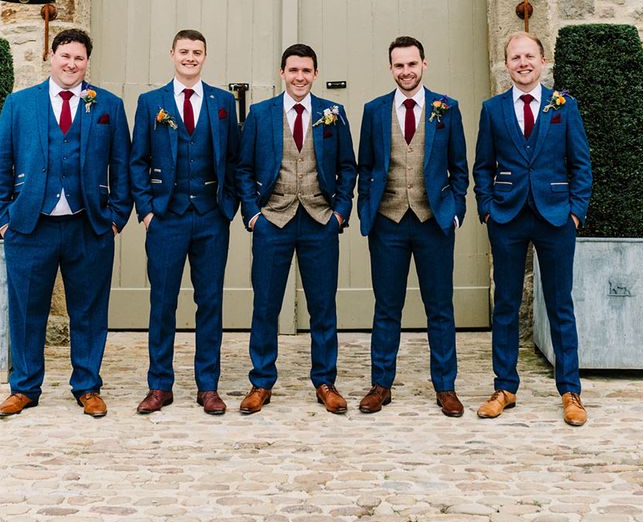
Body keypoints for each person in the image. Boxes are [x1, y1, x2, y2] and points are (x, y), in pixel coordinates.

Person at [0, 28, 132, 418]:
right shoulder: (20, 104)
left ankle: (87, 386)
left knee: (88, 310)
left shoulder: (108, 106)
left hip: (89, 226)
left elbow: (122, 165)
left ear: (88, 62)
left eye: (79, 58)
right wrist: (3, 220)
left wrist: (116, 217)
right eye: (65, 56)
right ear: (51, 56)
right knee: (26, 310)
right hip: (31, 227)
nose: (71, 64)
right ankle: (25, 388)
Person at [473, 31, 592, 426]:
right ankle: (504, 387)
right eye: (515, 57)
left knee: (560, 305)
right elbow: (483, 167)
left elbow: (581, 164)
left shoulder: (564, 107)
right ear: (506, 64)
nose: (522, 63)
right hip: (506, 217)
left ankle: (570, 391)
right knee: (505, 304)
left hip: (556, 216)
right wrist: (487, 209)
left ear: (542, 62)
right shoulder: (493, 110)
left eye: (529, 56)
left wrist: (575, 212)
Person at [236, 43, 357, 414]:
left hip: (320, 221)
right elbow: (243, 169)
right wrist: (253, 213)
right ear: (282, 73)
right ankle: (261, 382)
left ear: (315, 74)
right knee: (265, 305)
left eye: (306, 71)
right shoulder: (261, 114)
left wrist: (339, 211)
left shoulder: (332, 113)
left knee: (323, 307)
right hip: (274, 220)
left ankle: (325, 381)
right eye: (293, 70)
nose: (299, 77)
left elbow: (348, 167)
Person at [357, 36, 468, 417]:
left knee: (440, 307)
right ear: (391, 68)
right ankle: (381, 385)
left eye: (412, 64)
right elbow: (365, 168)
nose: (406, 71)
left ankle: (446, 387)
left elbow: (460, 169)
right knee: (387, 307)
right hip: (387, 222)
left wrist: (454, 212)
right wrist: (366, 211)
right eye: (398, 65)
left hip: (432, 222)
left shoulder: (446, 109)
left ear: (424, 64)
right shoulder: (374, 111)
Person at [130, 30, 239, 415]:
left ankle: (207, 386)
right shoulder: (151, 103)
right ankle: (160, 385)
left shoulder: (223, 103)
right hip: (166, 219)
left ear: (205, 56)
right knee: (162, 303)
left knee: (209, 302)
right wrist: (146, 210)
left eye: (197, 52)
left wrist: (230, 206)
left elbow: (235, 159)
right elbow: (137, 161)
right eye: (184, 52)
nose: (190, 58)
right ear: (171, 53)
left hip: (211, 217)